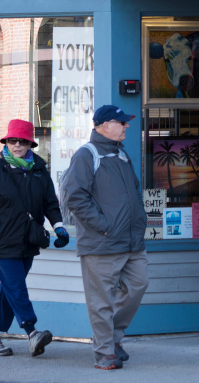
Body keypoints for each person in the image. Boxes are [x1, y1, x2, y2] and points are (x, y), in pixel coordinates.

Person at [0, 119, 69, 357]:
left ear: (30, 144)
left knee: (9, 290)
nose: (17, 145)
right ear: (7, 142)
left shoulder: (39, 171)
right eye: (13, 141)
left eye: (23, 141)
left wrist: (59, 227)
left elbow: (50, 203)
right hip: (1, 241)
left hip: (29, 241)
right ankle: (32, 333)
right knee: (17, 287)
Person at [62, 104, 149, 370]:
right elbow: (74, 195)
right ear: (104, 125)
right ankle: (104, 351)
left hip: (132, 241)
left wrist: (140, 220)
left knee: (138, 285)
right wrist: (103, 225)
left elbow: (134, 191)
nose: (127, 126)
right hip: (102, 241)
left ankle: (111, 337)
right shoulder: (87, 155)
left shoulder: (121, 154)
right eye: (121, 122)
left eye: (126, 122)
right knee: (101, 300)